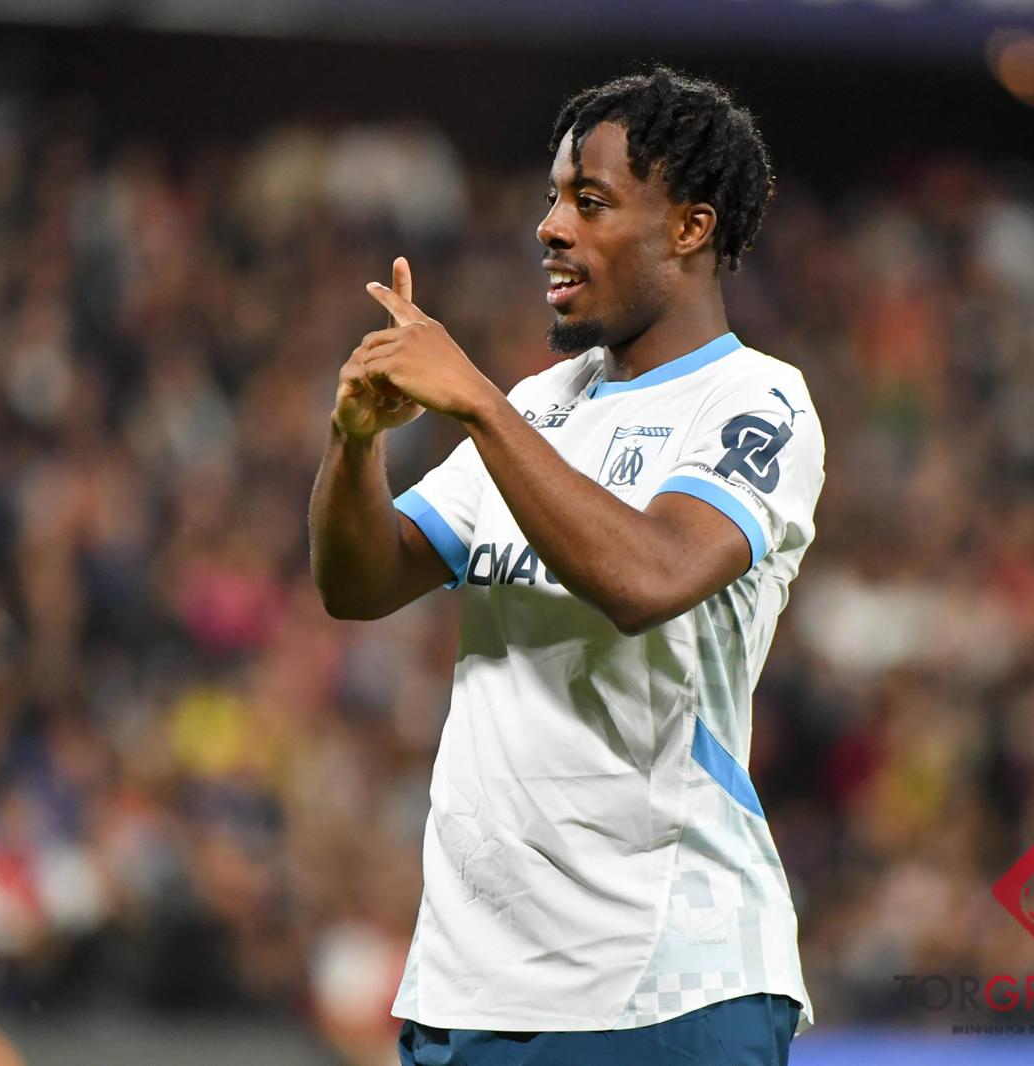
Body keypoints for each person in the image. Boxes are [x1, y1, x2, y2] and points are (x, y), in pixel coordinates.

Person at [309, 66, 821, 1066]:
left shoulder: (755, 401)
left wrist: (475, 402)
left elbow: (648, 577)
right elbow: (360, 584)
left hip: (661, 984)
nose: (549, 226)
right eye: (553, 198)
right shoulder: (540, 406)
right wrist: (355, 439)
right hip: (469, 981)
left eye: (590, 201)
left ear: (689, 227)